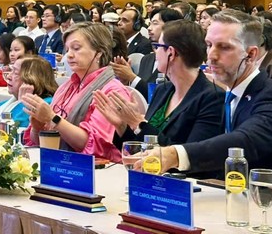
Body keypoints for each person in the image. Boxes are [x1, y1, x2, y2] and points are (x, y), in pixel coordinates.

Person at [136, 10, 272, 195]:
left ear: (250, 54)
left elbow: (245, 140)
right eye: (209, 45)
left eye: (224, 47)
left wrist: (174, 154)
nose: (211, 56)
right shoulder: (227, 93)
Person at [95, 20, 223, 150]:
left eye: (157, 46)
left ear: (171, 53)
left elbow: (190, 155)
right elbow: (140, 149)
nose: (155, 52)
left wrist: (137, 122)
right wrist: (122, 125)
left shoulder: (213, 98)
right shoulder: (163, 89)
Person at [21, 22, 133, 162]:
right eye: (67, 49)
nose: (69, 55)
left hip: (93, 170)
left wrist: (53, 118)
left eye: (76, 48)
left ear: (99, 52)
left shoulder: (112, 91)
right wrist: (37, 128)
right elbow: (39, 143)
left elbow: (97, 148)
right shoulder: (65, 87)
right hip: (59, 163)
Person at [111, 8, 183, 100]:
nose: (149, 28)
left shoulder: (177, 60)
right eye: (150, 24)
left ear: (171, 27)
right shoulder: (146, 59)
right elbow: (141, 90)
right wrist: (126, 81)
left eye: (155, 23)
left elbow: (160, 96)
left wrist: (132, 77)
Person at [0, 57, 58, 136]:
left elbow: (15, 136)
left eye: (15, 73)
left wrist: (22, 105)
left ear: (31, 79)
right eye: (11, 70)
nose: (8, 76)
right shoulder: (1, 105)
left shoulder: (47, 105)